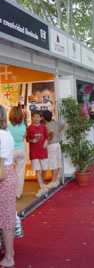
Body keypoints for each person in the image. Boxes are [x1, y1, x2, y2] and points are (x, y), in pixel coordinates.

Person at [0, 105, 16, 268]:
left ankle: (9, 257)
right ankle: (10, 253)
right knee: (7, 216)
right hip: (9, 175)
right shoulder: (7, 134)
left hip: (3, 178)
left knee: (5, 218)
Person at [26, 110, 48, 197]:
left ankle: (42, 185)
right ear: (32, 117)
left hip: (43, 152)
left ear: (41, 118)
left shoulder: (43, 127)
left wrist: (45, 143)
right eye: (34, 117)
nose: (36, 118)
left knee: (44, 169)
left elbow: (47, 137)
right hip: (34, 153)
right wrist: (32, 140)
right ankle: (42, 187)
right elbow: (27, 139)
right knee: (38, 171)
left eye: (38, 117)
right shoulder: (29, 128)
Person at [42, 111, 65, 189]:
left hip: (51, 145)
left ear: (44, 118)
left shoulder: (46, 126)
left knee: (53, 164)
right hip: (57, 144)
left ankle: (53, 181)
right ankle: (56, 180)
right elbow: (63, 125)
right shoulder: (55, 123)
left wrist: (46, 141)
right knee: (58, 162)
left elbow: (50, 137)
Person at [8, 106, 26, 199]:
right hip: (21, 150)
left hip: (10, 151)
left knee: (9, 173)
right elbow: (24, 137)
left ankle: (9, 192)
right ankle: (18, 193)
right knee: (20, 173)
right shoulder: (23, 125)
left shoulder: (7, 125)